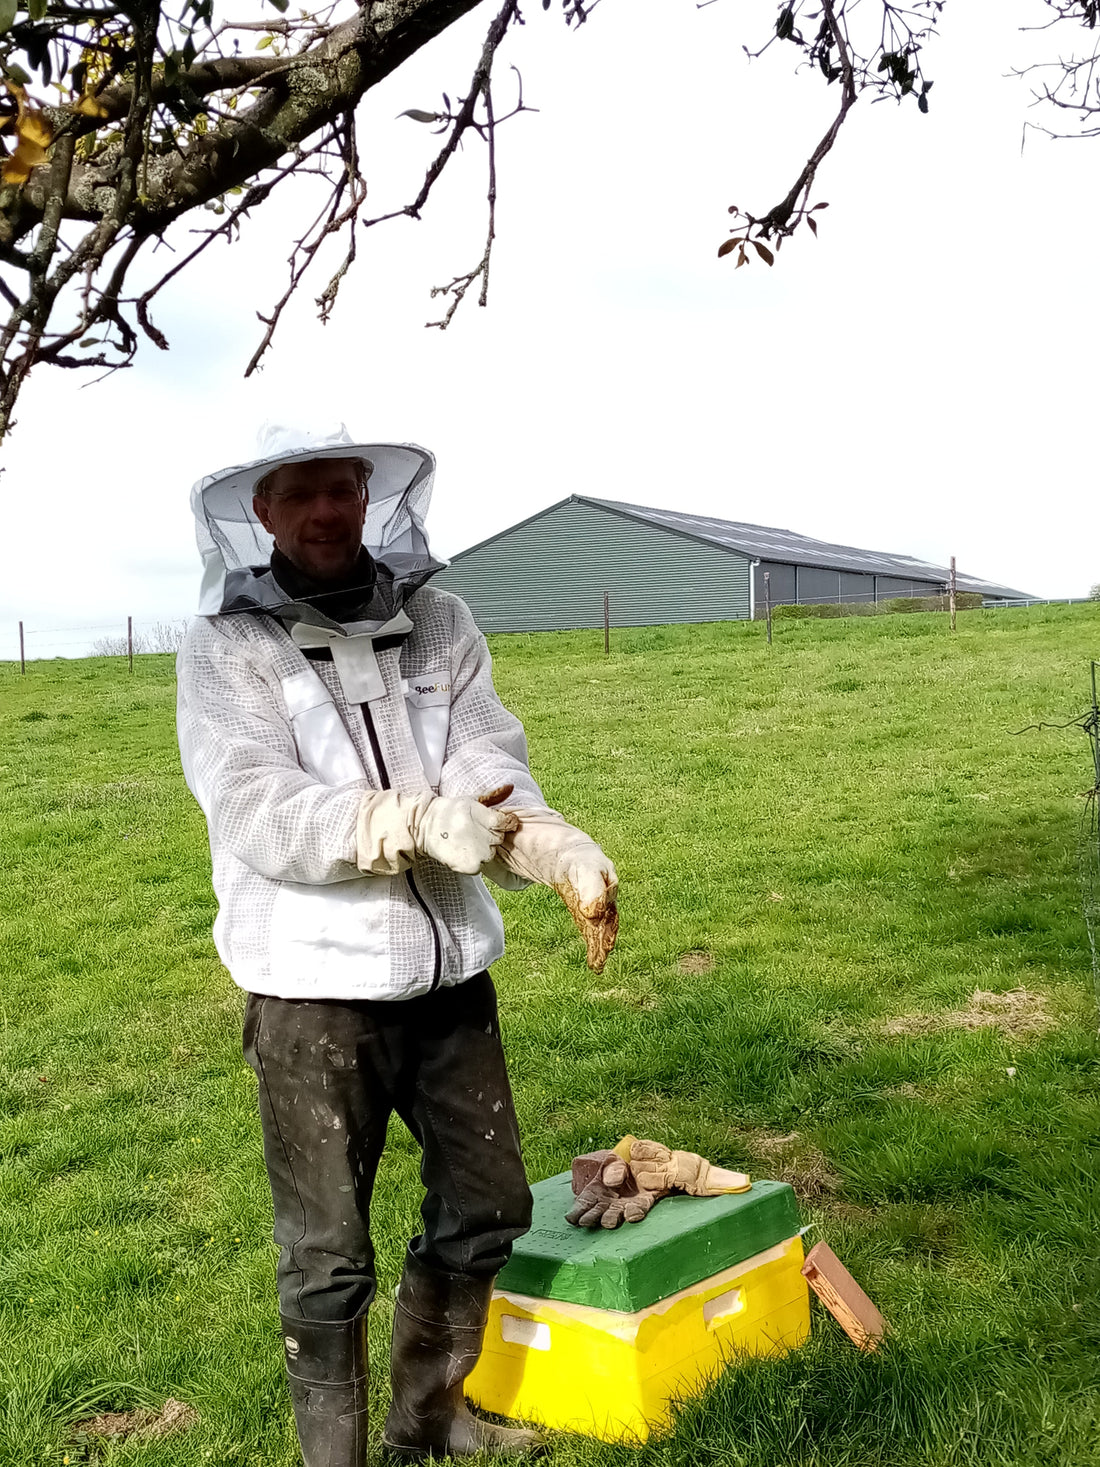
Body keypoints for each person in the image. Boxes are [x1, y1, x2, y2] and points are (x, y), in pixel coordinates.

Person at [176, 425, 618, 1467]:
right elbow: (253, 804)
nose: (328, 511)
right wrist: (405, 823)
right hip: (311, 991)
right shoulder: (230, 645)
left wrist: (550, 845)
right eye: (303, 495)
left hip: (449, 977)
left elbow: (486, 759)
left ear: (372, 500)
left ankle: (431, 1421)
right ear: (265, 515)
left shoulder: (437, 621)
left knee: (488, 1207)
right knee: (327, 1256)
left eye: (345, 490)